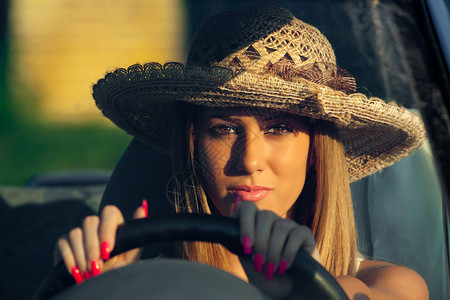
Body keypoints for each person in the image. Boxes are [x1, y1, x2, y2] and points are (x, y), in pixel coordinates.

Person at [57, 3, 429, 299]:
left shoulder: (387, 285)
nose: (249, 161)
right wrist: (107, 290)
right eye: (224, 129)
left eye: (279, 128)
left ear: (317, 151)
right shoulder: (141, 282)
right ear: (192, 144)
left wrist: (309, 289)